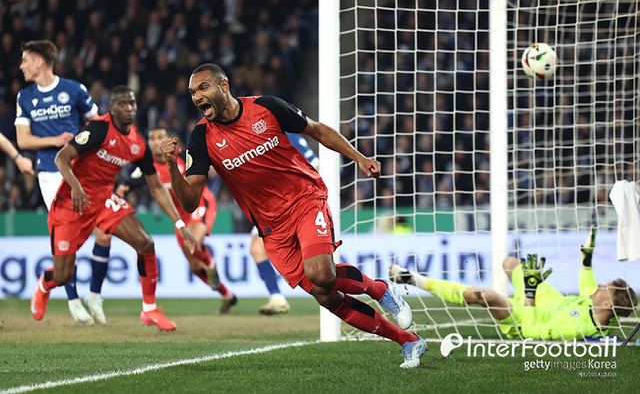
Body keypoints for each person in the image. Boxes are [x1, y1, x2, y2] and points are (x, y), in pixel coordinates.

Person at [160, 63, 427, 368]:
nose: (196, 96)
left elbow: (317, 130)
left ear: (224, 86)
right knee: (326, 296)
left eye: (203, 87)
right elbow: (190, 201)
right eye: (192, 92)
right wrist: (171, 165)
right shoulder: (201, 137)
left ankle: (379, 289)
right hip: (272, 228)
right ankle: (409, 341)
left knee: (321, 273)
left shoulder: (266, 108)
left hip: (304, 200)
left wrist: (359, 158)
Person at [30, 85, 195, 331]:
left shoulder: (138, 143)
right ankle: (45, 283)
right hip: (73, 202)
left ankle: (149, 310)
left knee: (146, 244)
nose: (128, 108)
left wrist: (180, 224)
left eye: (132, 103)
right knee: (63, 275)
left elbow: (157, 187)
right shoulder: (98, 129)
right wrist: (75, 186)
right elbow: (61, 157)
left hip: (104, 200)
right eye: (122, 104)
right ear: (112, 108)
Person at [389, 227, 638, 340]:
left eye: (606, 288)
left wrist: (529, 294)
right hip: (545, 296)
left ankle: (412, 279)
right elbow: (587, 283)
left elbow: (531, 333)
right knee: (510, 263)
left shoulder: (578, 329)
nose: (600, 286)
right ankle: (526, 287)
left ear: (608, 304)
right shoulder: (593, 302)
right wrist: (586, 259)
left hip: (527, 314)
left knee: (486, 296)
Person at [14, 40, 111, 325]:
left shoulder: (74, 89)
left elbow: (99, 125)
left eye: (25, 60)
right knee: (68, 239)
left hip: (82, 171)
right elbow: (23, 140)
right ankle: (72, 299)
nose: (21, 66)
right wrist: (55, 140)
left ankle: (94, 295)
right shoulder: (25, 97)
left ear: (40, 61)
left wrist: (82, 143)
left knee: (104, 234)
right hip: (50, 173)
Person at [116, 126, 237, 314]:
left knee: (194, 242)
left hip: (199, 203)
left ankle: (210, 264)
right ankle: (227, 295)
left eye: (160, 137)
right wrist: (121, 192)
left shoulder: (177, 155)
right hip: (179, 218)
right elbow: (125, 186)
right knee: (195, 266)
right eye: (152, 138)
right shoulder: (147, 169)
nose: (156, 142)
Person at [251, 132, 319, 315]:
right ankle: (277, 298)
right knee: (257, 248)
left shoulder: (289, 137)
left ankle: (345, 288)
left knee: (315, 259)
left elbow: (316, 164)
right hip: (271, 207)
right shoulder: (253, 140)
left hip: (298, 203)